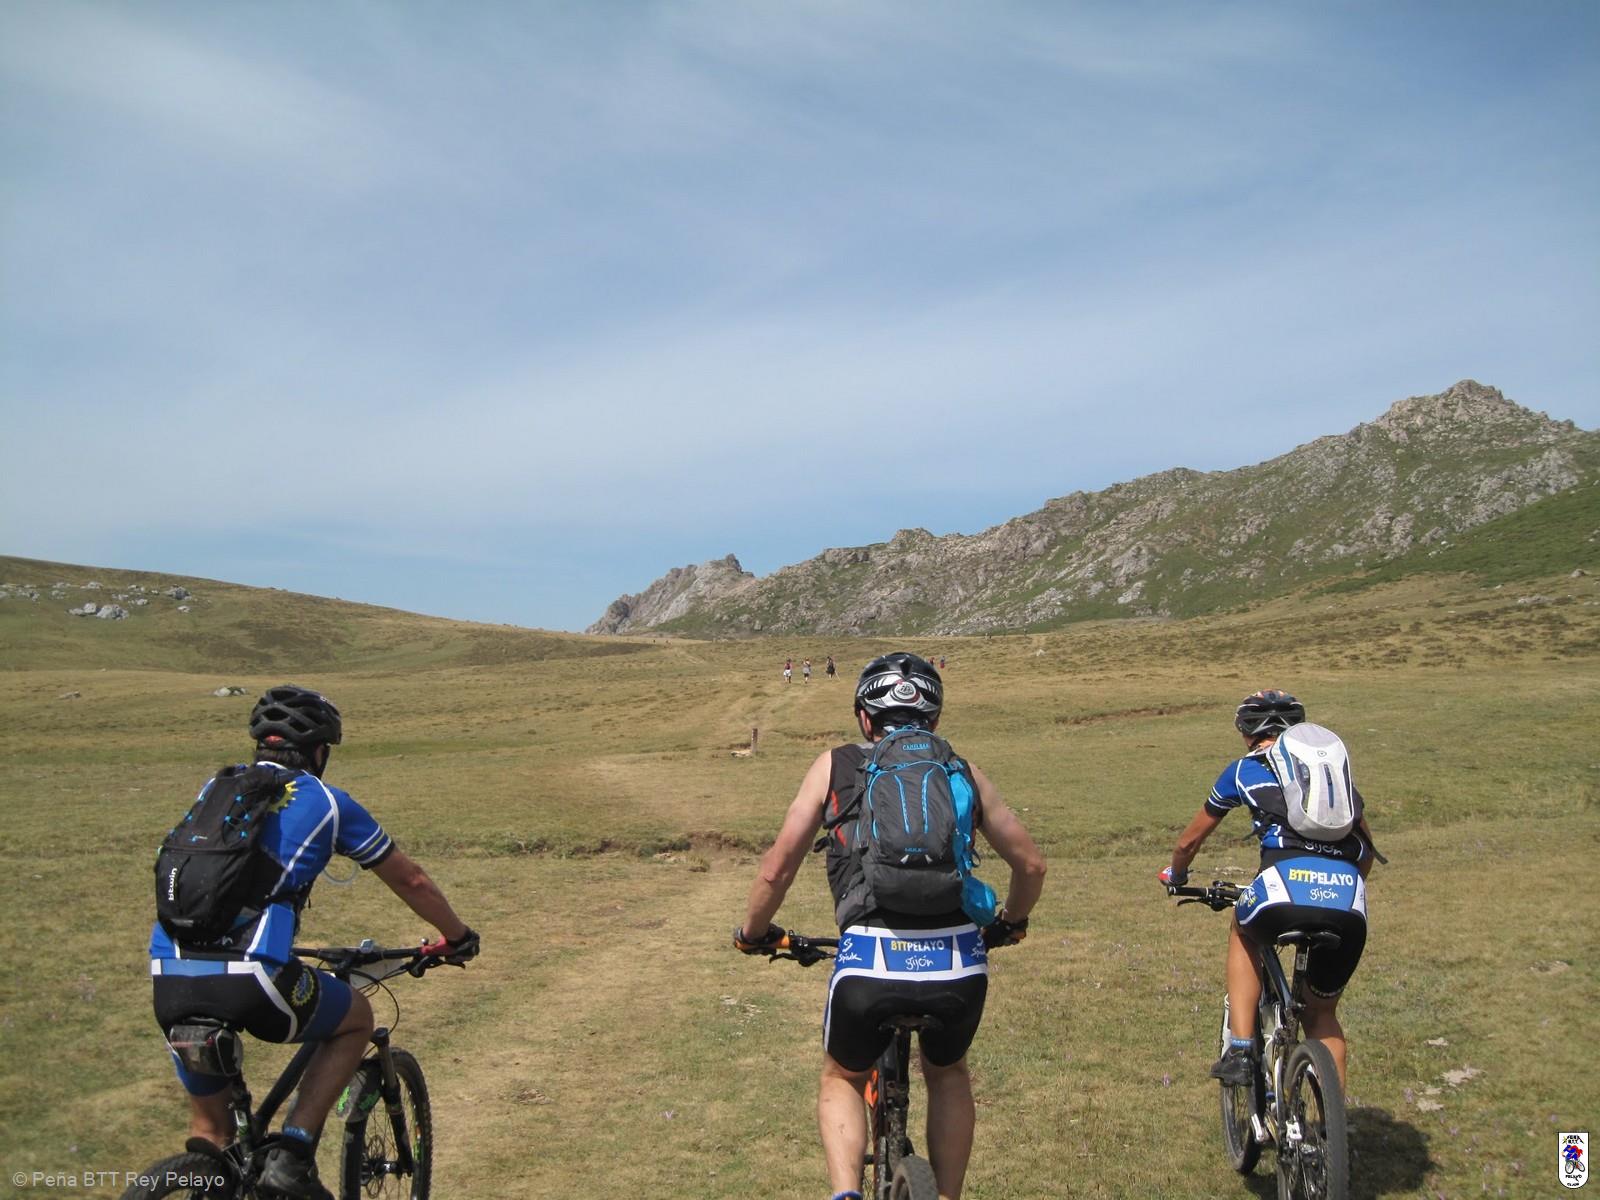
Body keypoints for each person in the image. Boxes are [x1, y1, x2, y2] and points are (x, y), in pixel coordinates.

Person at [148, 685, 479, 1199]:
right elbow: (410, 879)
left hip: (170, 976)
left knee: (212, 1137)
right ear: (319, 751)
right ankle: (294, 1154)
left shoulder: (217, 788)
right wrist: (457, 937)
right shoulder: (328, 802)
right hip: (253, 976)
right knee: (356, 1019)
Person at [735, 653, 1046, 1200]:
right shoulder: (960, 770)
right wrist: (1011, 923)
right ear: (934, 717)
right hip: (957, 964)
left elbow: (775, 869)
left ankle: (845, 1194)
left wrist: (753, 932)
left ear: (864, 717)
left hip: (869, 960)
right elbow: (1032, 866)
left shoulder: (833, 766)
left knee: (842, 1078)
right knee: (947, 1073)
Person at [1160, 689, 1375, 1089]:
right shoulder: (1331, 779)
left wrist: (1177, 875)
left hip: (1283, 887)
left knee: (1243, 931)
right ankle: (1332, 1124)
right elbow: (1365, 850)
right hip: (1347, 899)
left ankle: (1241, 1051)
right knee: (1321, 1014)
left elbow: (1188, 842)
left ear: (1246, 731)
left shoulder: (1245, 769)